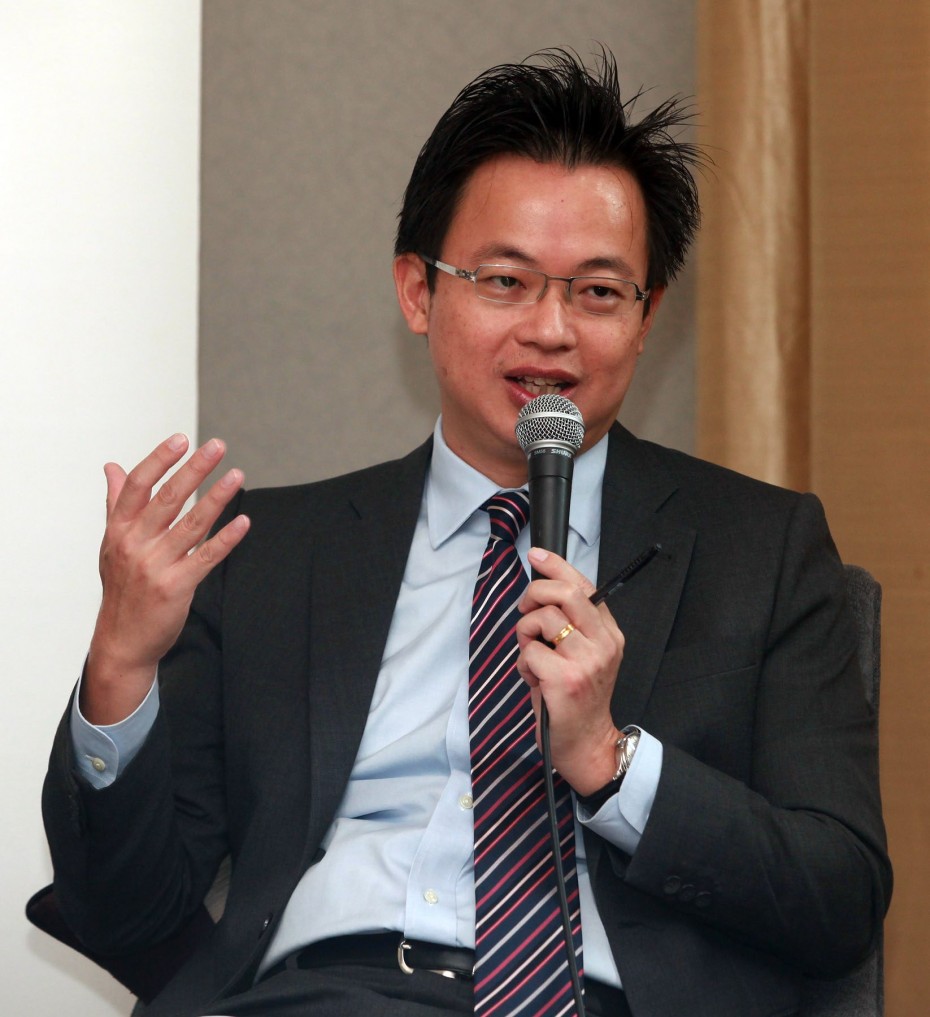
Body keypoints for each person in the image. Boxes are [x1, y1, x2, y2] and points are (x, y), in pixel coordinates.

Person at [41, 48, 891, 1017]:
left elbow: (839, 899)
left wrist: (609, 761)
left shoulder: (763, 550)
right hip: (330, 996)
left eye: (598, 291)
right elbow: (128, 913)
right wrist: (121, 670)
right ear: (419, 291)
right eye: (505, 280)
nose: (552, 329)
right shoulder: (265, 557)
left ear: (648, 315)